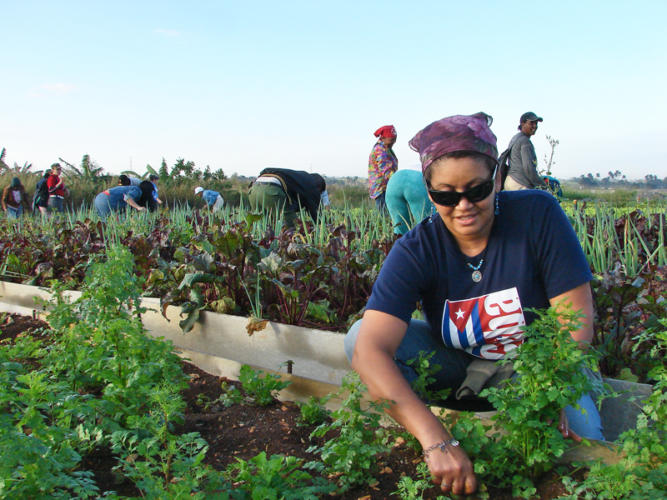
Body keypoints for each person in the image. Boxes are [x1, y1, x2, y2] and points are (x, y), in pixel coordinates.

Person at [344, 112, 604, 496]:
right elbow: (369, 351)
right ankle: (454, 405)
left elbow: (575, 323)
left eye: (477, 190)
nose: (463, 205)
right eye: (446, 195)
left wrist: (554, 388)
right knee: (356, 336)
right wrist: (435, 439)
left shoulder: (538, 215)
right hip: (461, 359)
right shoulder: (418, 247)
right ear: (430, 193)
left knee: (584, 445)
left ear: (496, 180)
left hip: (541, 363)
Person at [248, 168, 329, 226]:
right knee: (292, 227)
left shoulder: (301, 179)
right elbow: (316, 213)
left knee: (261, 225)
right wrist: (324, 226)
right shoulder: (312, 186)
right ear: (318, 188)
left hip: (254, 189)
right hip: (271, 189)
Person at [504, 112, 548, 191]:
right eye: (531, 123)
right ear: (522, 123)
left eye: (536, 123)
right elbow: (528, 168)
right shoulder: (525, 142)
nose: (535, 126)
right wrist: (543, 185)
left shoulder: (515, 138)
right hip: (520, 184)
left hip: (510, 181)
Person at [385, 169, 434, 235]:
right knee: (428, 224)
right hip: (417, 181)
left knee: (399, 228)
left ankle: (400, 242)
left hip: (393, 182)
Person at [368, 125, 398, 212]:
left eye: (395, 139)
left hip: (386, 186)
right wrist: (397, 181)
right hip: (381, 188)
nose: (394, 142)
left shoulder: (386, 148)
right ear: (383, 138)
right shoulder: (380, 149)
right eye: (391, 140)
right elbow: (386, 170)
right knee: (384, 215)